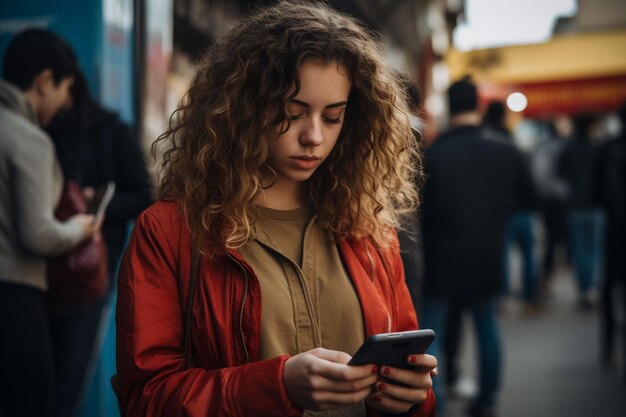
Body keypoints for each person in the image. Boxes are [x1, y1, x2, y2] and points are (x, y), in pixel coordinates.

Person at [115, 2, 437, 417]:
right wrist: (276, 386)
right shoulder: (170, 230)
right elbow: (146, 399)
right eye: (293, 112)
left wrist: (414, 397)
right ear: (243, 108)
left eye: (333, 117)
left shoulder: (368, 228)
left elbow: (408, 377)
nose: (314, 137)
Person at [419, 78, 535, 417]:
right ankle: (486, 400)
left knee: (432, 333)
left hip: (440, 258)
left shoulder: (431, 155)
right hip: (487, 253)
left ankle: (434, 404)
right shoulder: (506, 150)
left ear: (450, 108)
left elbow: (417, 212)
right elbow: (530, 198)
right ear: (479, 107)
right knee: (487, 328)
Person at [0, 29, 100, 417]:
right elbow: (38, 234)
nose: (66, 102)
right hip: (15, 295)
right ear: (44, 82)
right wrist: (80, 229)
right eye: (65, 88)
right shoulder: (29, 138)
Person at [45, 69, 152, 417]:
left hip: (92, 268)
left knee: (69, 379)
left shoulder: (114, 132)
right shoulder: (42, 132)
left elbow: (144, 196)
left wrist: (99, 203)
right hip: (42, 267)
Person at [483, 101, 540, 308]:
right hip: (521, 209)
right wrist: (533, 203)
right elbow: (527, 181)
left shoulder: (484, 142)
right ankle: (530, 296)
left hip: (498, 210)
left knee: (502, 255)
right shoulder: (512, 143)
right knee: (528, 254)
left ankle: (502, 297)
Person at [557, 113, 606, 309]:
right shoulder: (598, 149)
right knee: (595, 249)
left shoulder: (569, 149)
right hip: (595, 205)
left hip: (574, 205)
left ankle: (584, 289)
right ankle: (592, 289)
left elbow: (561, 174)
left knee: (579, 249)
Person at [594, 103, 625, 375]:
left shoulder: (609, 148)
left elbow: (599, 190)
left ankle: (608, 344)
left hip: (616, 230)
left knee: (610, 288)